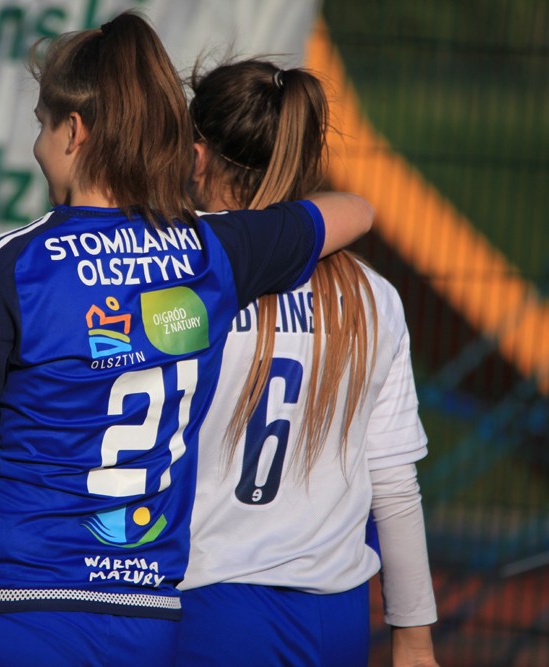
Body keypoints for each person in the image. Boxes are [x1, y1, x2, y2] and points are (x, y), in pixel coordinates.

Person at [0, 15, 373, 667]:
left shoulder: (18, 263)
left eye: (42, 125)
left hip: (10, 603)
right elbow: (356, 211)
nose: (38, 147)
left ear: (74, 132)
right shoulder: (212, 250)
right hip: (141, 617)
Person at [174, 59, 439, 667]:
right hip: (336, 621)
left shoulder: (184, 277)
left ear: (197, 156)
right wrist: (415, 639)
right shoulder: (374, 297)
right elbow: (394, 483)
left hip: (208, 608)